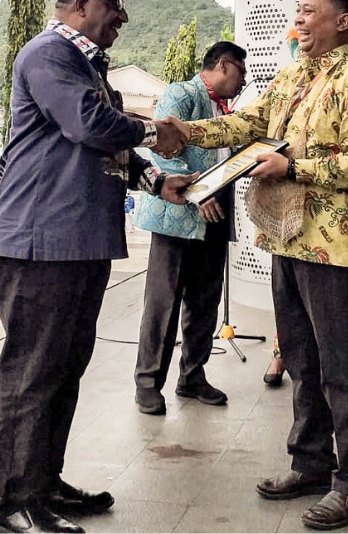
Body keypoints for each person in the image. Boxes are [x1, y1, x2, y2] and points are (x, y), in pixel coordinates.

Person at [0, 0, 190, 534]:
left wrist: (157, 179)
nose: (122, 17)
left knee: (63, 369)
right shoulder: (48, 55)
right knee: (32, 374)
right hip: (39, 243)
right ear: (79, 4)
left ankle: (42, 483)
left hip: (75, 243)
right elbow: (90, 127)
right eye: (113, 5)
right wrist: (159, 129)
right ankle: (10, 503)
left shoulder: (90, 67)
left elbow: (104, 151)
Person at [168, 0, 348, 530]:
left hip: (333, 246)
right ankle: (312, 463)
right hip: (287, 239)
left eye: (311, 12)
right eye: (298, 11)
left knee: (343, 367)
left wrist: (296, 167)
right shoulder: (291, 76)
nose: (300, 21)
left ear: (342, 20)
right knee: (300, 357)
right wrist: (185, 130)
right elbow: (248, 123)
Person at [133, 40, 247, 416]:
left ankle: (192, 376)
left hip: (214, 220)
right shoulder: (181, 94)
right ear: (225, 65)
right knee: (163, 305)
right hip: (178, 218)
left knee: (205, 301)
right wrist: (198, 193)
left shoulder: (225, 110)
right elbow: (159, 147)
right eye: (241, 72)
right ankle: (148, 383)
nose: (243, 81)